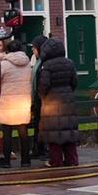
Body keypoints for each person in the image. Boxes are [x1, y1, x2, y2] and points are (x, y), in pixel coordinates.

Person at [36, 37, 80, 167]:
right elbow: (74, 82)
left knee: (53, 135)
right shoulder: (70, 63)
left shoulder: (47, 66)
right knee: (69, 132)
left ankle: (56, 161)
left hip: (52, 103)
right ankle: (72, 160)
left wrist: (42, 96)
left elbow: (44, 85)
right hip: (68, 101)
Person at [0, 39, 33, 168]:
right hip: (23, 103)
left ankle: (6, 161)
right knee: (23, 133)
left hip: (8, 104)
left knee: (7, 133)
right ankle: (26, 160)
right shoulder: (27, 64)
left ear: (8, 50)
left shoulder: (4, 64)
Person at [29, 35, 49, 158]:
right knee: (38, 125)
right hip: (37, 100)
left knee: (43, 125)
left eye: (34, 48)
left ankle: (43, 149)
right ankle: (38, 148)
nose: (32, 50)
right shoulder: (37, 61)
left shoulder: (44, 63)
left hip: (43, 101)